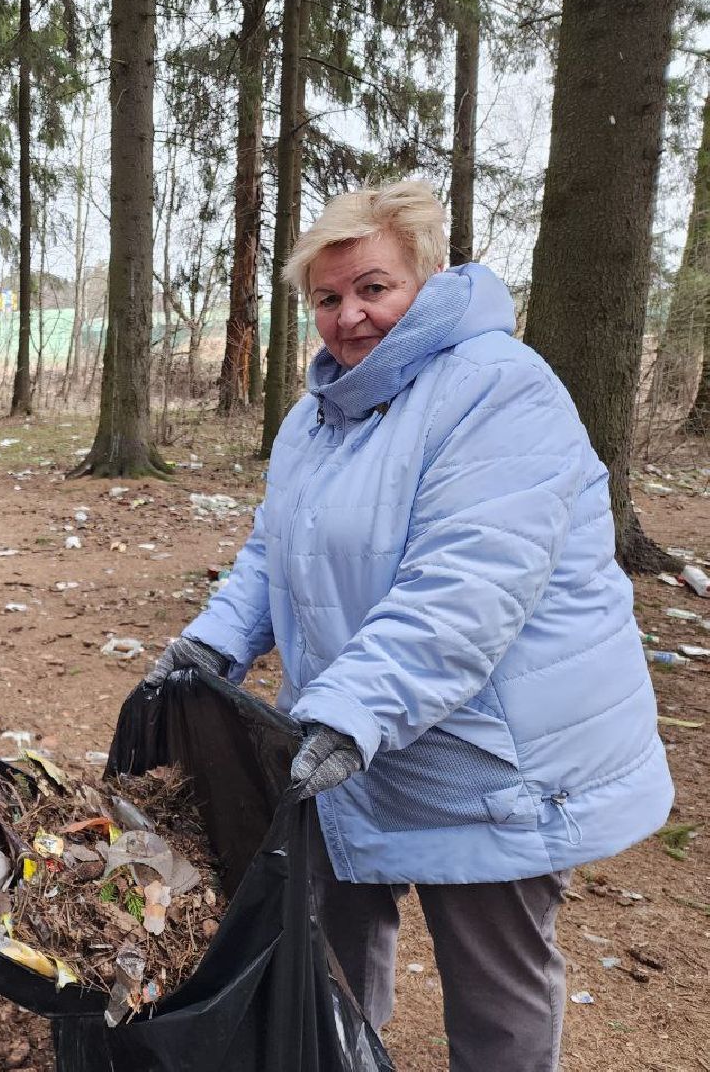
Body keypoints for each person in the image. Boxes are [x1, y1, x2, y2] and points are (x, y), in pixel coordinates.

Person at [146, 180, 673, 1071]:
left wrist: (351, 710)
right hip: (350, 737)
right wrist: (216, 640)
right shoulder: (316, 418)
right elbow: (275, 552)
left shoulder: (500, 390)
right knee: (326, 961)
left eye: (373, 287)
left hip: (490, 756)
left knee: (496, 988)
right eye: (327, 298)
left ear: (427, 279)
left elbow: (467, 587)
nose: (348, 315)